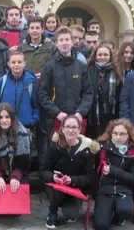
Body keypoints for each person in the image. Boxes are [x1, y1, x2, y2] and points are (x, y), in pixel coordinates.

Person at [38, 27, 93, 165]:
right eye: (61, 40)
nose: (64, 43)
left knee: (76, 156)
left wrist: (80, 112)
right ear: (56, 43)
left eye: (67, 39)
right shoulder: (49, 67)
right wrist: (56, 112)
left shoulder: (81, 67)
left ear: (72, 42)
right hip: (55, 120)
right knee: (56, 156)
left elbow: (88, 93)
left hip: (77, 119)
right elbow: (43, 94)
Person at [39, 116, 97, 229]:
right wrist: (53, 177)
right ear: (62, 129)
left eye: (74, 127)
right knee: (55, 189)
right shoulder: (54, 147)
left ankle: (72, 206)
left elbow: (90, 177)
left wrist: (72, 180)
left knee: (70, 215)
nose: (71, 130)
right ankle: (52, 213)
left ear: (80, 129)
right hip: (57, 187)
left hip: (75, 188)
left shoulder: (87, 150)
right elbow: (42, 171)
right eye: (68, 127)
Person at [93, 119, 134, 230]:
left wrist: (113, 171)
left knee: (125, 211)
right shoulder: (103, 148)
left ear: (129, 135)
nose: (118, 137)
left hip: (124, 189)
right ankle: (106, 211)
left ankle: (118, 215)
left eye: (122, 134)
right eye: (115, 133)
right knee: (101, 226)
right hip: (105, 190)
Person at [0, 104, 31, 215]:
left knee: (18, 186)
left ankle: (14, 208)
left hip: (15, 169)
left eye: (7, 117)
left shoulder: (21, 131)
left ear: (12, 118)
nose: (4, 120)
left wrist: (15, 177)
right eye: (1, 117)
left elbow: (24, 161)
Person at [0, 50, 39, 130]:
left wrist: (33, 120)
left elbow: (36, 105)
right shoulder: (2, 81)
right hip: (5, 126)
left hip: (26, 127)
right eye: (13, 62)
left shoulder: (31, 82)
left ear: (24, 63)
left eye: (19, 62)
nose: (16, 65)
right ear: (8, 64)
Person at [87, 44, 121, 136]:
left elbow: (119, 96)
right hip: (92, 115)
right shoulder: (88, 71)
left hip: (110, 115)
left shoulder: (116, 73)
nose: (103, 57)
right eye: (100, 54)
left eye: (106, 55)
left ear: (110, 57)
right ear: (95, 56)